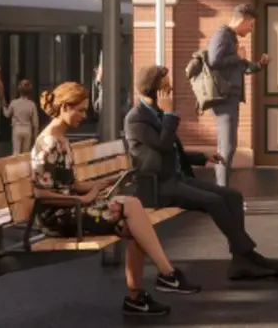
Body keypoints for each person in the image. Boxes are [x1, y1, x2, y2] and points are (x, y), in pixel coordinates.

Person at [31, 82, 202, 316]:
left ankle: (137, 297)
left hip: (72, 208)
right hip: (58, 216)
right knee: (132, 207)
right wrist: (85, 199)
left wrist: (101, 184)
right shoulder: (48, 142)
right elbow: (41, 193)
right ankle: (167, 274)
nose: (83, 115)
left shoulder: (61, 138)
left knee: (134, 224)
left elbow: (71, 184)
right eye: (79, 110)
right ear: (64, 107)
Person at [125, 65, 278, 281]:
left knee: (232, 196)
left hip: (175, 179)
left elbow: (173, 151)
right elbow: (163, 146)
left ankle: (242, 260)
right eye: (165, 86)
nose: (170, 89)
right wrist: (169, 114)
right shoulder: (136, 118)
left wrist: (201, 157)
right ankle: (248, 254)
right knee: (214, 201)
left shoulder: (156, 113)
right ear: (154, 89)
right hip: (158, 186)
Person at [202, 4, 271, 187]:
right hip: (223, 99)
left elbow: (243, 68)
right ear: (243, 20)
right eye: (251, 25)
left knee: (228, 147)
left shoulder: (231, 38)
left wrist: (260, 64)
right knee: (226, 147)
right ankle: (222, 192)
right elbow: (213, 60)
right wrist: (238, 57)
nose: (251, 29)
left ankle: (222, 189)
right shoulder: (223, 34)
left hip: (230, 98)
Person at [6, 79, 40, 156]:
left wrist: (4, 107)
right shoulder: (32, 104)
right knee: (26, 153)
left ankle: (15, 167)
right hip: (28, 129)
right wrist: (35, 137)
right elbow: (35, 123)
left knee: (16, 152)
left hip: (17, 128)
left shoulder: (14, 103)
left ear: (19, 90)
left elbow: (7, 114)